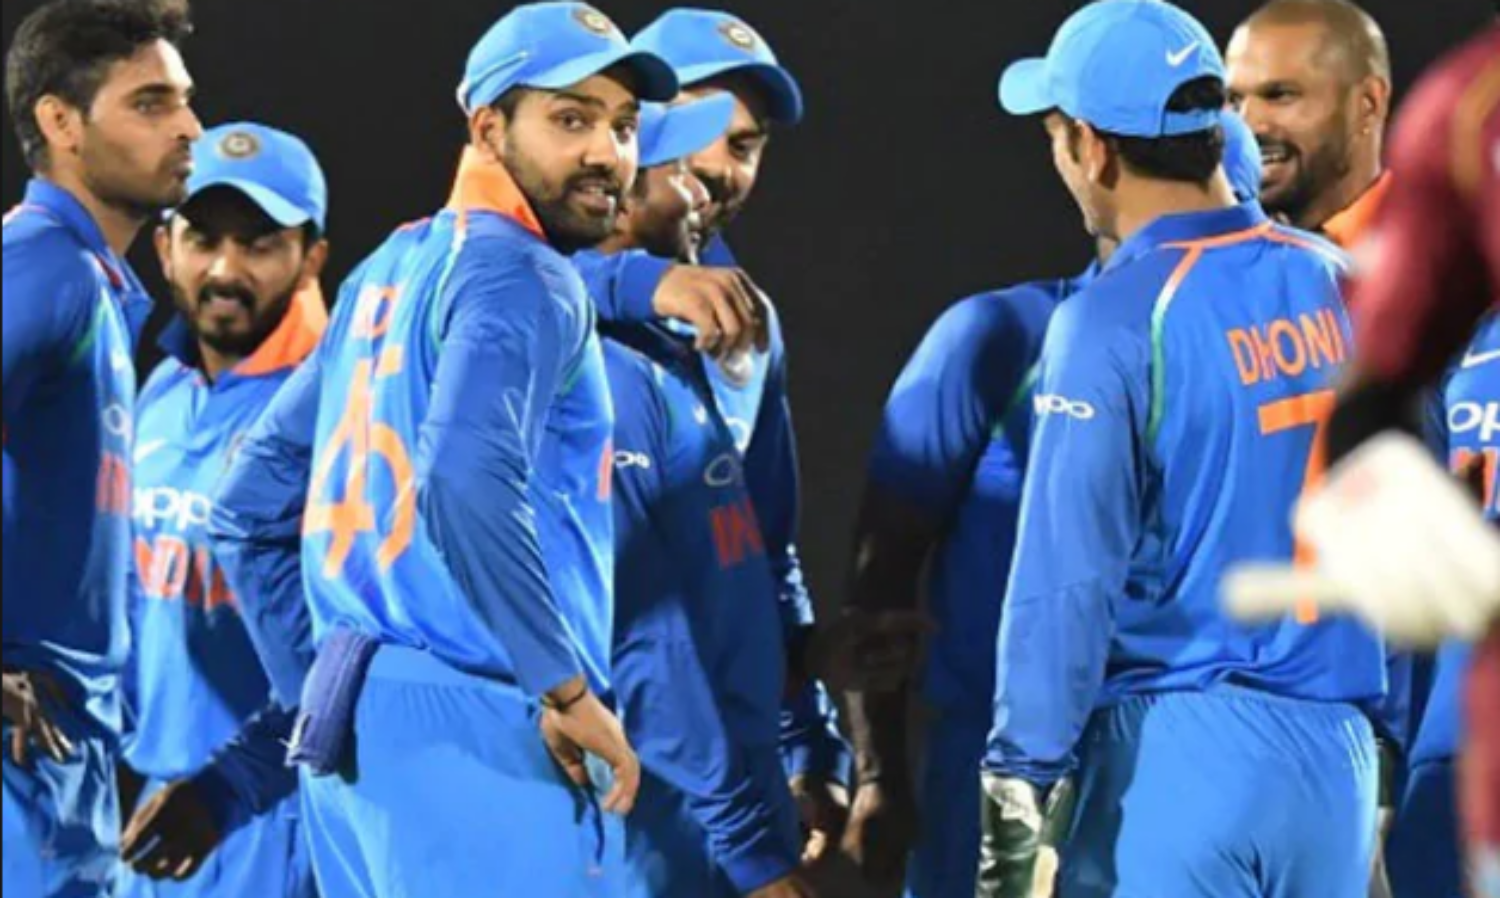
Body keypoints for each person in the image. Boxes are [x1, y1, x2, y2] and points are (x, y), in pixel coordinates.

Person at [207, 4, 681, 895]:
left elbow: (245, 503)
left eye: (622, 126)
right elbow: (464, 479)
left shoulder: (386, 268)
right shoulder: (525, 273)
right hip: (486, 726)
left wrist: (321, 689)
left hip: (357, 743)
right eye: (570, 118)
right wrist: (564, 689)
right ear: (488, 127)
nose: (606, 153)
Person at [980, 2, 1387, 896]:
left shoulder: (1113, 316)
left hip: (1174, 763)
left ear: (1092, 148)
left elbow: (1066, 580)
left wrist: (1017, 788)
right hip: (1338, 770)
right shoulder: (1344, 283)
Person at [829, 106, 1264, 898]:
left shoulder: (1276, 376)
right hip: (988, 775)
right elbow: (881, 575)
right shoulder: (996, 339)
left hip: (1188, 776)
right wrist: (878, 774)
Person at [1224, 23, 1500, 898]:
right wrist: (1378, 506)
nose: (1249, 123)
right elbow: (1373, 409)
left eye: (1278, 94)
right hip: (1410, 751)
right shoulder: (1468, 115)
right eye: (1234, 99)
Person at [577, 9, 856, 865]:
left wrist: (811, 745)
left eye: (744, 144)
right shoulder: (547, 302)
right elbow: (500, 281)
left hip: (730, 794)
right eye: (691, 128)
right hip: (599, 793)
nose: (714, 165)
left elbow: (766, 552)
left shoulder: (748, 320)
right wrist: (633, 279)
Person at [3, 2, 200, 895]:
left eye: (185, 99)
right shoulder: (44, 264)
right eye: (151, 103)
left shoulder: (88, 280)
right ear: (61, 122)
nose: (189, 126)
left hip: (62, 761)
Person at [115, 122, 328, 898]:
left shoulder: (332, 412)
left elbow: (352, 648)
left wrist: (237, 783)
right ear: (164, 247)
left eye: (260, 244)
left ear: (312, 258)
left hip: (275, 810)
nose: (226, 269)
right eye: (203, 239)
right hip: (160, 811)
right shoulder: (163, 391)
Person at [1226, 0, 1392, 245]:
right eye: (1235, 101)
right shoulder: (1215, 252)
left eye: (1279, 95)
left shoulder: (1435, 245)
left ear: (1368, 105)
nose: (1245, 126)